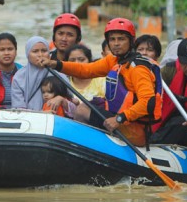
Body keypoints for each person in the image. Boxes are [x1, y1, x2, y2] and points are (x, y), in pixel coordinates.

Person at [40, 18, 162, 147]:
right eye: (112, 39)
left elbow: (147, 102)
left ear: (131, 41)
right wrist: (56, 64)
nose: (116, 43)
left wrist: (119, 119)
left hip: (135, 130)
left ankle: (79, 146)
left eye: (121, 39)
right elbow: (86, 70)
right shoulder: (114, 60)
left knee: (82, 110)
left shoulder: (138, 68)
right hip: (122, 121)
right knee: (86, 106)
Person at [11, 36, 66, 110]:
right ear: (27, 54)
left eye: (44, 50)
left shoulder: (59, 75)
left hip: (55, 119)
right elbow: (18, 109)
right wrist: (41, 114)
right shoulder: (19, 77)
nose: (40, 55)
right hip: (28, 119)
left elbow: (73, 106)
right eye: (35, 51)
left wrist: (61, 99)